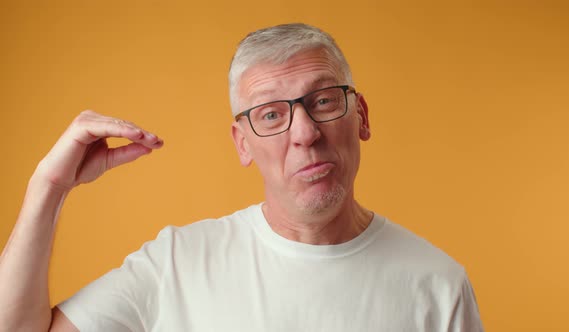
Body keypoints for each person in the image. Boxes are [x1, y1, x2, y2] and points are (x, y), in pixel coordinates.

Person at [0, 23, 483, 332]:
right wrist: (49, 188)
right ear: (242, 143)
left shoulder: (438, 286)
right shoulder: (177, 265)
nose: (305, 133)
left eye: (323, 101)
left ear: (361, 116)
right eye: (271, 115)